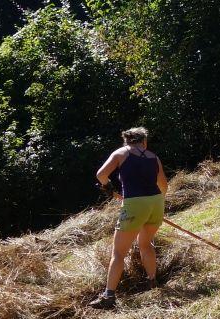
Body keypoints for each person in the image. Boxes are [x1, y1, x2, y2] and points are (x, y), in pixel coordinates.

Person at [89, 127, 168, 310]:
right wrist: (155, 203)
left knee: (118, 253)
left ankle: (108, 297)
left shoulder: (121, 153)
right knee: (146, 244)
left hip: (134, 205)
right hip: (156, 203)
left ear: (127, 140)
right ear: (144, 141)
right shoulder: (153, 157)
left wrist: (108, 188)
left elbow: (101, 175)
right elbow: (163, 184)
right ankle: (152, 282)